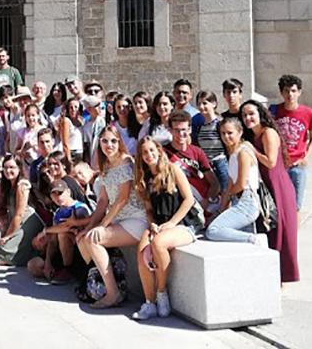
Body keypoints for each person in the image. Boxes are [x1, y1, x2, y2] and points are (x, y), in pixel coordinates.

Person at [131, 138, 202, 321]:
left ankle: (162, 293)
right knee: (142, 249)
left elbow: (189, 200)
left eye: (152, 150)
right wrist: (152, 223)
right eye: (144, 152)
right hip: (160, 224)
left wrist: (172, 223)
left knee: (158, 243)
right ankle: (149, 303)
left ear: (159, 150)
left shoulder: (173, 169)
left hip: (183, 223)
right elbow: (149, 209)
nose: (149, 155)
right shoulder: (145, 178)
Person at [76, 127, 147, 308]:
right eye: (105, 141)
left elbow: (122, 199)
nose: (109, 145)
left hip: (135, 219)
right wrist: (89, 226)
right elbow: (102, 202)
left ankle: (113, 293)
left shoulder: (126, 162)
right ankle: (99, 283)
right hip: (118, 219)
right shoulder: (106, 166)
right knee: (82, 239)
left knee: (93, 239)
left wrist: (102, 226)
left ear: (119, 142)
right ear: (99, 143)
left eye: (113, 141)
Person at [242, 100, 299, 283]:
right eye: (244, 115)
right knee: (271, 231)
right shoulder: (252, 135)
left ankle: (284, 276)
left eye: (251, 114)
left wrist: (252, 149)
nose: (248, 118)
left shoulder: (268, 133)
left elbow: (271, 161)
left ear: (260, 114)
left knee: (283, 232)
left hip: (278, 186)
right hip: (266, 187)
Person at [205, 118, 262, 244]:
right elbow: (230, 184)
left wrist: (230, 195)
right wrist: (220, 210)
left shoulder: (243, 153)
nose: (226, 137)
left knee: (213, 230)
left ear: (240, 132)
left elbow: (241, 184)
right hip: (238, 200)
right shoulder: (233, 154)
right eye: (223, 133)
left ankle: (256, 239)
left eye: (230, 133)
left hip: (247, 201)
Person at [271, 74, 312, 216]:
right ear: (281, 92)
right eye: (286, 91)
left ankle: (294, 231)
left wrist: (306, 158)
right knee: (279, 204)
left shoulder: (308, 113)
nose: (290, 94)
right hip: (279, 164)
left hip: (297, 165)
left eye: (293, 91)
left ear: (299, 92)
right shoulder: (274, 111)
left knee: (296, 205)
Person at [163, 110, 219, 213]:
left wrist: (208, 200)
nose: (181, 134)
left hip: (198, 201)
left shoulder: (197, 152)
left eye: (184, 129)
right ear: (170, 130)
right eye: (176, 130)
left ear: (190, 129)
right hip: (175, 202)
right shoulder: (162, 153)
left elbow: (214, 182)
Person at [193, 90, 227, 193]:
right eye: (199, 104)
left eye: (205, 103)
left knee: (226, 194)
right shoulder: (201, 126)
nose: (201, 106)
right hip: (208, 168)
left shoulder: (220, 124)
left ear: (214, 104)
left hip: (221, 165)